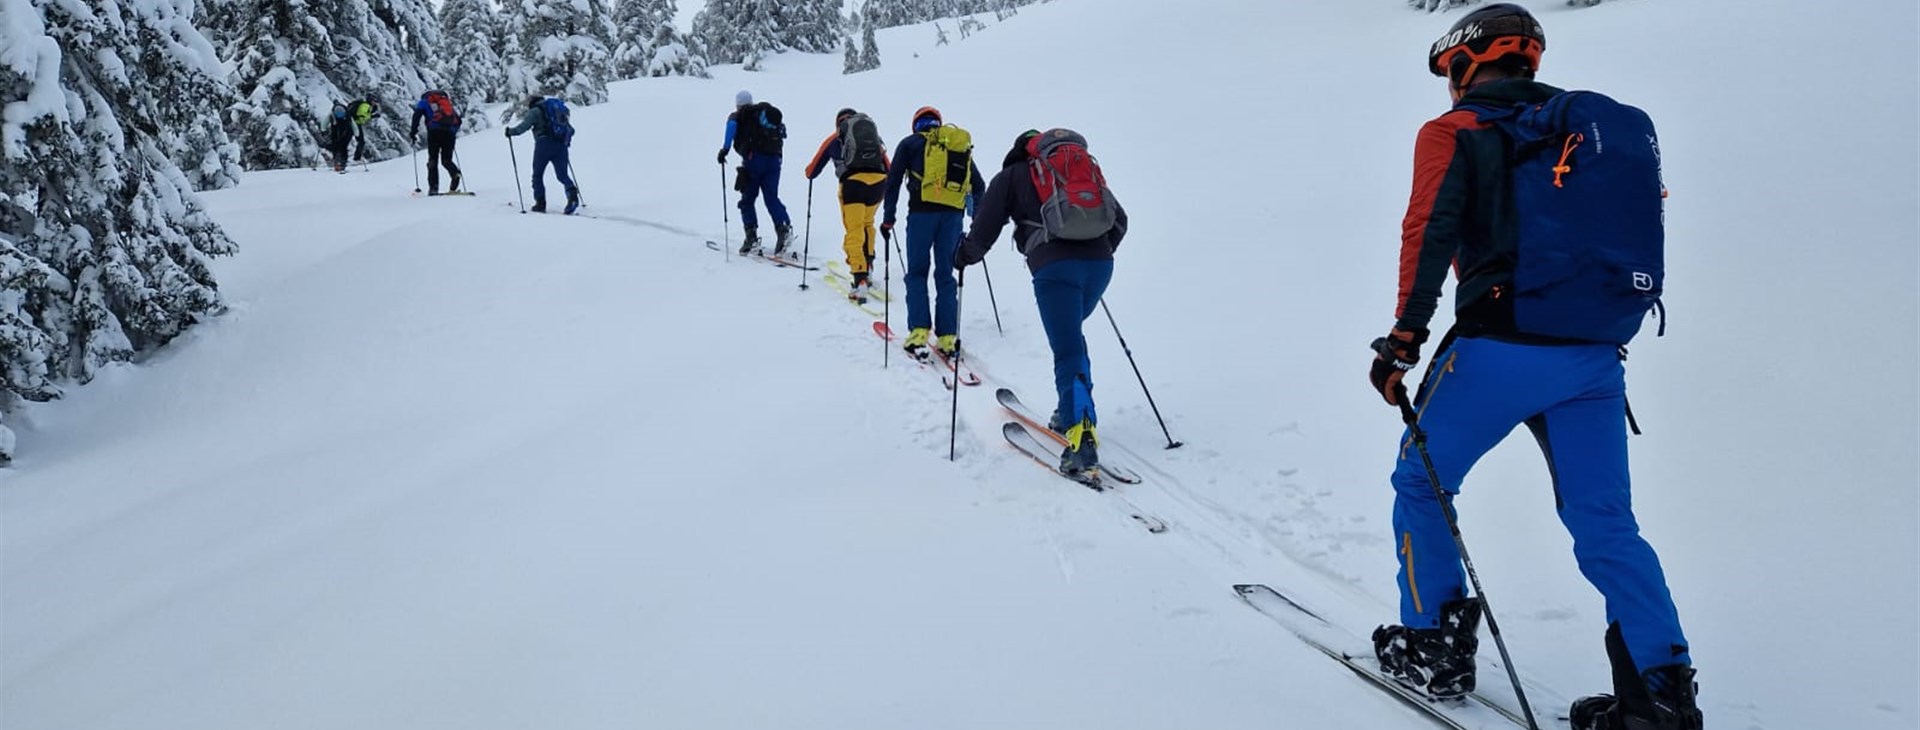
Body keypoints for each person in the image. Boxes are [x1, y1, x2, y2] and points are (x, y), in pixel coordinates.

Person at [1365, 5, 1702, 730]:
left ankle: (1433, 646)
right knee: (1606, 522)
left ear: (1466, 63)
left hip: (1499, 350)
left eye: (1450, 70)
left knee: (1421, 480)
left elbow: (1428, 230)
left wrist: (1404, 339)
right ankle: (1661, 698)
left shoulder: (1455, 131)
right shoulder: (1576, 134)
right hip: (1594, 358)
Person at [957, 129, 1125, 477]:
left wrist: (963, 256)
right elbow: (1119, 220)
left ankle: (1081, 436)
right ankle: (1069, 410)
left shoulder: (1013, 175)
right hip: (1100, 265)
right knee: (1072, 339)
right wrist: (1097, 251)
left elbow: (986, 225)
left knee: (1068, 348)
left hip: (1055, 269)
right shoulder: (1081, 170)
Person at [881, 106, 982, 360]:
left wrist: (888, 218)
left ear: (916, 124)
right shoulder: (954, 146)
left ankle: (918, 332)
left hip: (921, 216)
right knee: (945, 273)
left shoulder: (910, 143)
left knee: (917, 272)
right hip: (952, 217)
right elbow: (978, 185)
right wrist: (977, 219)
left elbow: (893, 181)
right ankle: (947, 337)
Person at [804, 108, 891, 302]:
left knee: (854, 230)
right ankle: (868, 266)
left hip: (853, 186)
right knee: (868, 224)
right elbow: (888, 166)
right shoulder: (873, 138)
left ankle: (860, 279)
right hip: (879, 184)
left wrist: (808, 172)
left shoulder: (834, 139)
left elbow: (812, 170)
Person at [716, 90, 792, 257]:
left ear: (738, 104)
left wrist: (724, 150)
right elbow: (783, 132)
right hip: (775, 161)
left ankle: (751, 238)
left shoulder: (738, 116)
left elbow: (731, 129)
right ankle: (784, 229)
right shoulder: (764, 114)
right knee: (771, 198)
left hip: (754, 162)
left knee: (747, 200)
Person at [504, 95, 580, 214]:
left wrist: (510, 132)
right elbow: (571, 130)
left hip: (543, 144)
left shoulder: (535, 111)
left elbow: (523, 127)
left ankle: (540, 203)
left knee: (537, 175)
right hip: (561, 145)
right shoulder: (555, 110)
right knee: (562, 175)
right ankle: (573, 197)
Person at [410, 90, 464, 195]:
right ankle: (455, 173)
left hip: (434, 132)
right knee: (446, 160)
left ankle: (433, 188)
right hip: (449, 133)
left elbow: (416, 116)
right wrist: (453, 132)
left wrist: (413, 133)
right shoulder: (446, 102)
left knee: (433, 160)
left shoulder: (424, 102)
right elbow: (458, 120)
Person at [324, 102, 355, 173]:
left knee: (338, 147)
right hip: (342, 132)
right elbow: (354, 125)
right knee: (342, 148)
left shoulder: (334, 115)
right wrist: (357, 134)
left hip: (342, 132)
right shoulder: (345, 115)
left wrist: (323, 130)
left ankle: (338, 163)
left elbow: (324, 123)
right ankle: (342, 164)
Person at [345, 98, 378, 162]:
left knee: (347, 141)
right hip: (355, 124)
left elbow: (363, 115)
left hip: (352, 123)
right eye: (374, 101)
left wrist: (372, 115)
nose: (375, 103)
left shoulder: (365, 105)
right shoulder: (366, 105)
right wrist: (372, 116)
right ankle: (356, 158)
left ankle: (340, 157)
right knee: (361, 141)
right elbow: (361, 114)